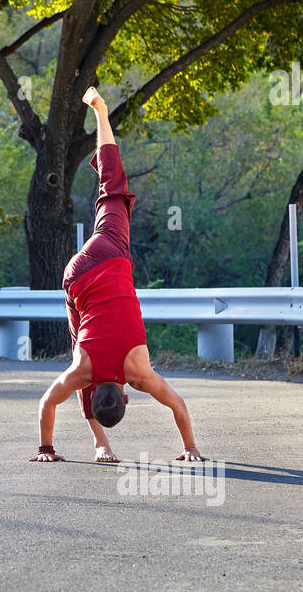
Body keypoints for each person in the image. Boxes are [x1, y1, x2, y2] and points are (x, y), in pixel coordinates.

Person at [30, 86, 205, 465]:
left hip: (108, 255)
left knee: (112, 187)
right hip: (74, 278)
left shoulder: (140, 373)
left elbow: (178, 405)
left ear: (126, 396)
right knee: (76, 346)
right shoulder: (85, 374)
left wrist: (192, 448)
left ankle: (100, 110)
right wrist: (45, 449)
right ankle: (100, 445)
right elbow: (47, 403)